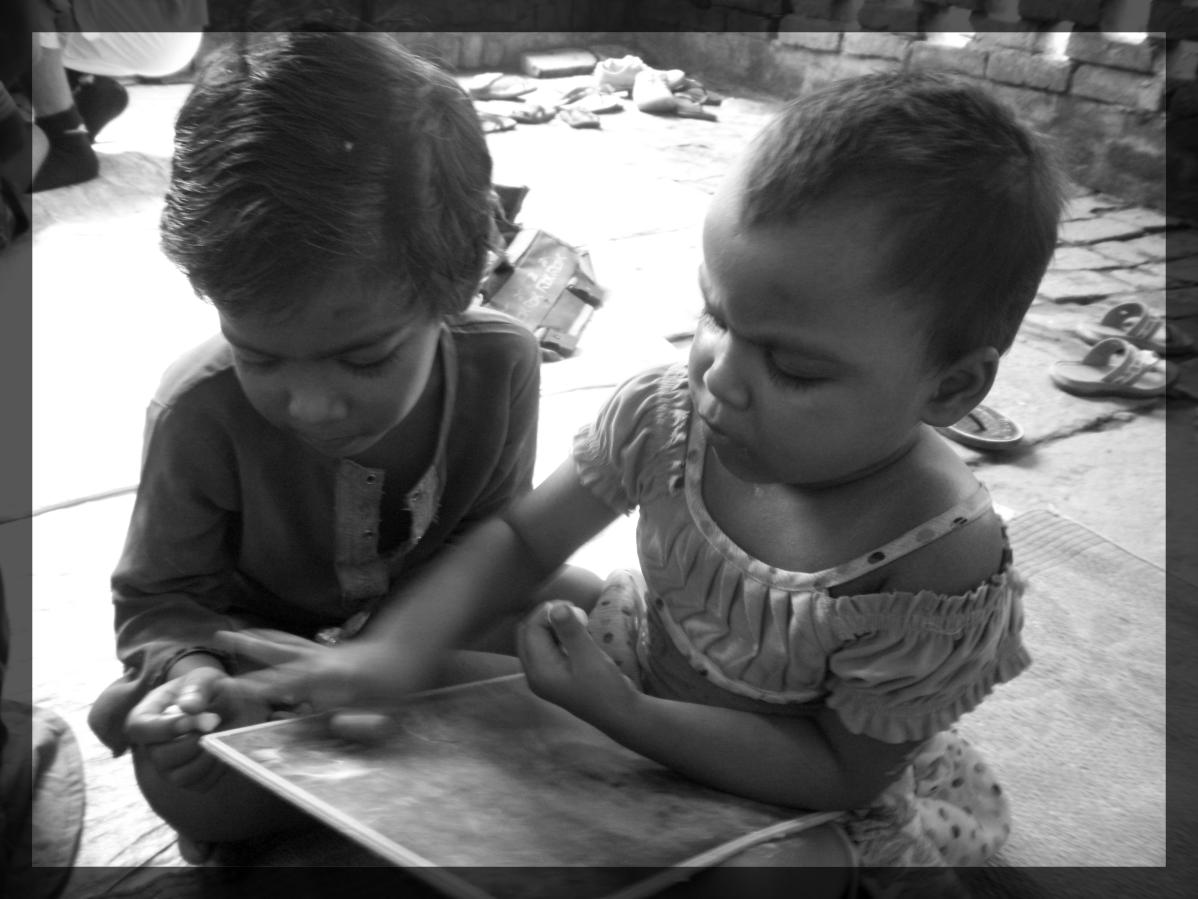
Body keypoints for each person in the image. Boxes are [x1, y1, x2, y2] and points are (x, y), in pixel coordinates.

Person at [224, 71, 1064, 892]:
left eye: (796, 368)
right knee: (509, 611)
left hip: (788, 788)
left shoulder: (939, 564)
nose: (721, 378)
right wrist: (394, 653)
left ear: (952, 388)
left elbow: (837, 770)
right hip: (640, 662)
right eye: (715, 314)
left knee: (772, 881)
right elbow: (522, 537)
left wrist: (622, 714)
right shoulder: (671, 412)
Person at [85, 32, 600, 862]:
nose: (312, 404)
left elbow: (493, 546)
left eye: (365, 358)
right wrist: (185, 675)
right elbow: (161, 597)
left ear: (458, 283)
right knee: (184, 774)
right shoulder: (198, 412)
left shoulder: (503, 361)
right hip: (266, 660)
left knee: (589, 618)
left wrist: (391, 652)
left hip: (417, 638)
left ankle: (341, 779)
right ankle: (380, 766)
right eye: (258, 355)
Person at [30, 0, 208, 191]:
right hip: (176, 24)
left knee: (20, 13)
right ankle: (84, 88)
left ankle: (65, 140)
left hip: (142, 25)